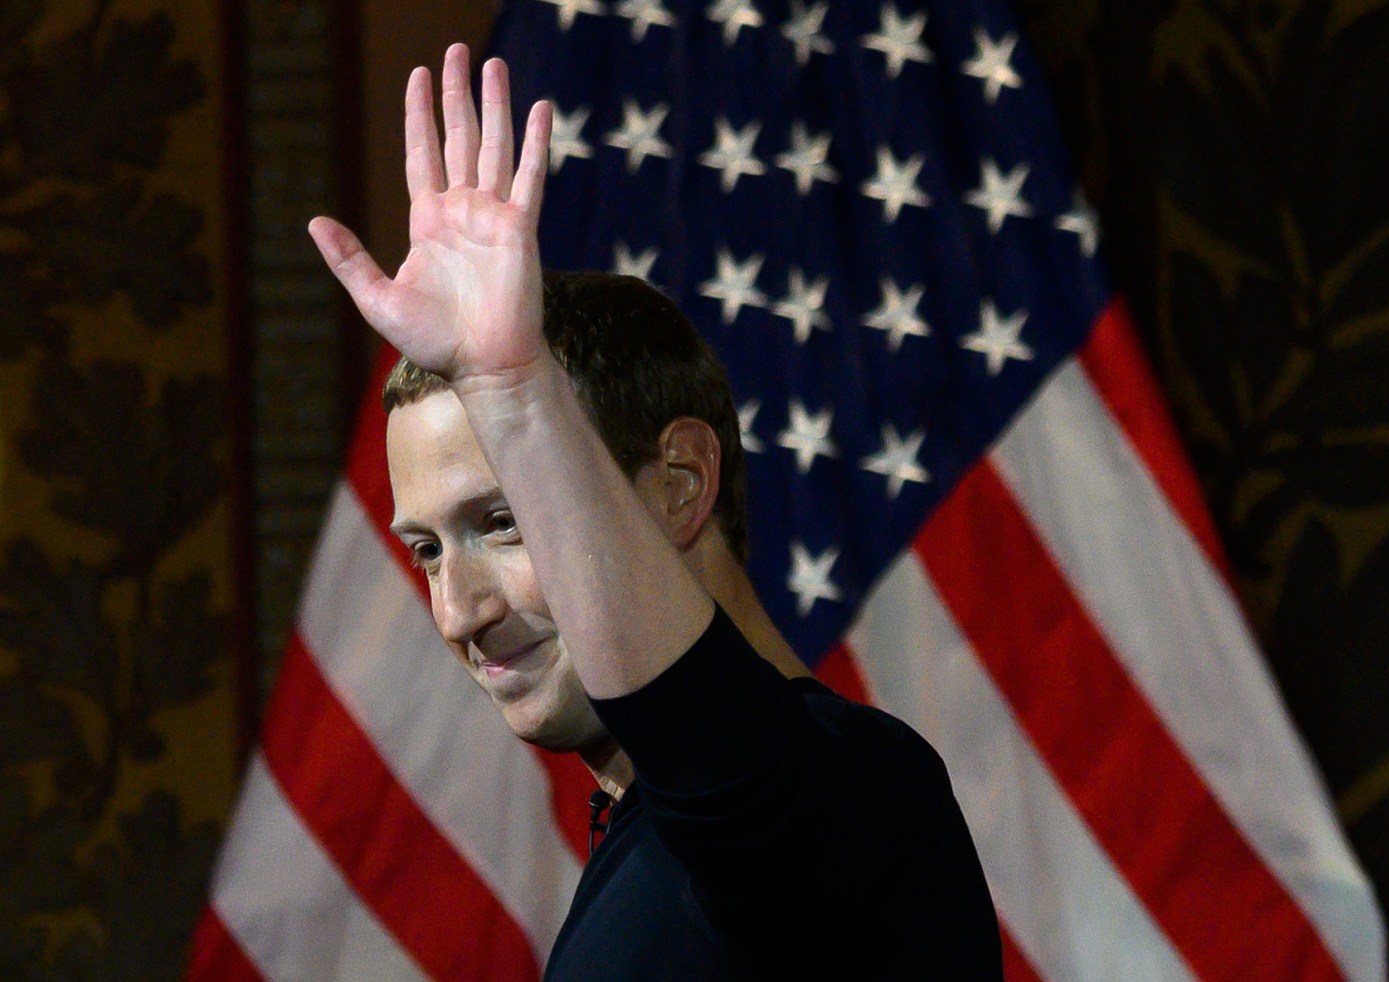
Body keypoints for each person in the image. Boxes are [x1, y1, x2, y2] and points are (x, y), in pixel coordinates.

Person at [310, 43, 1002, 979]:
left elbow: (722, 766)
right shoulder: (647, 842)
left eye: (506, 522)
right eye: (428, 551)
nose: (458, 611)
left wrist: (514, 392)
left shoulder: (852, 796)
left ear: (680, 482)